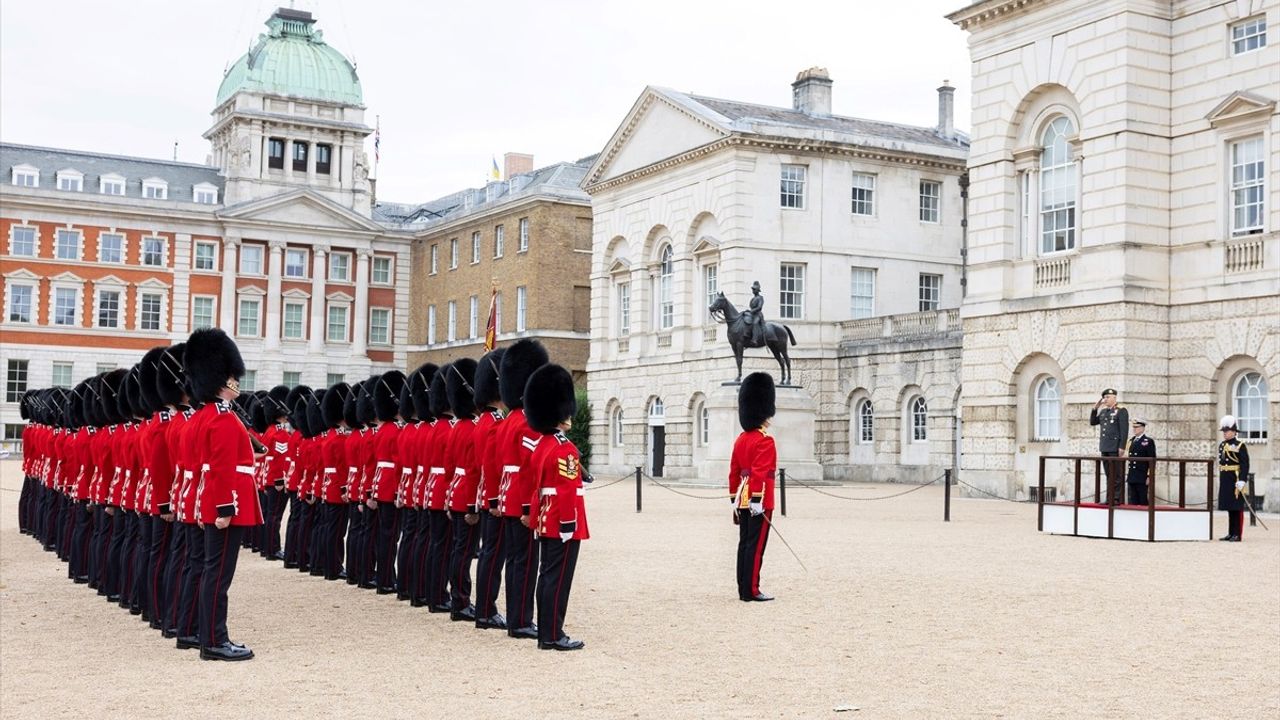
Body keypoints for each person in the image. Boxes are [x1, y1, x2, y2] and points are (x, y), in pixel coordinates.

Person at [185, 327, 260, 661]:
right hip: (225, 507)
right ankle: (215, 640)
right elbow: (221, 468)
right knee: (218, 576)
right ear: (224, 378)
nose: (236, 380)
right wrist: (225, 508)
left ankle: (208, 635)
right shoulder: (223, 419)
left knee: (210, 571)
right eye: (232, 375)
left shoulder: (204, 417)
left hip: (212, 502)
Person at [525, 363, 589, 651]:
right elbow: (566, 490)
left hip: (545, 517)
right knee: (558, 578)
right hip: (563, 521)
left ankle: (547, 632)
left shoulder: (542, 445)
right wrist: (567, 524)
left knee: (547, 575)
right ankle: (553, 634)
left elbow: (536, 484)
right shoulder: (563, 448)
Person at [730, 372, 777, 602]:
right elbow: (760, 472)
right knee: (756, 547)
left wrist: (734, 499)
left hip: (742, 498)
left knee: (744, 544)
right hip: (759, 500)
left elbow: (734, 472)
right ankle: (752, 590)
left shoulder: (741, 439)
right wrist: (758, 499)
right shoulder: (764, 440)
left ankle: (743, 588)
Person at [1089, 388, 1129, 503]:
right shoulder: (1104, 412)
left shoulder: (1121, 411)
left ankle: (1116, 499)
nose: (1105, 399)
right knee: (1108, 475)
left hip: (1115, 447)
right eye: (1104, 397)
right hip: (1105, 447)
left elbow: (1124, 430)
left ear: (1114, 398)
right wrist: (1095, 409)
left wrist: (1122, 447)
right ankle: (1109, 498)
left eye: (1107, 397)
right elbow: (1093, 422)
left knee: (1116, 475)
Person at [1217, 415, 1251, 543]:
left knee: (1237, 507)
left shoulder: (1240, 445)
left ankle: (1237, 534)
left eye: (1227, 431)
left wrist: (1242, 479)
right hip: (1226, 478)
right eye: (1224, 431)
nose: (1225, 433)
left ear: (1234, 431)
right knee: (1229, 507)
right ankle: (1231, 532)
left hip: (1235, 477)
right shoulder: (1222, 445)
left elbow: (1244, 464)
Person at [1124, 419, 1155, 505]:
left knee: (1142, 500)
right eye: (1133, 427)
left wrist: (1149, 475)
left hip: (1142, 475)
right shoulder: (1131, 441)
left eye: (1137, 427)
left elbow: (1152, 460)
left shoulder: (1148, 441)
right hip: (1132, 474)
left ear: (1142, 428)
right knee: (1132, 500)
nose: (1134, 429)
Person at [741, 281, 765, 346]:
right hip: (752, 314)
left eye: (754, 289)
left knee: (755, 323)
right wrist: (748, 311)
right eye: (752, 289)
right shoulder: (752, 299)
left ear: (757, 290)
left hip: (758, 314)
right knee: (745, 319)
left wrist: (751, 311)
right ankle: (746, 334)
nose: (753, 291)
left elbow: (759, 307)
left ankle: (754, 339)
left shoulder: (760, 298)